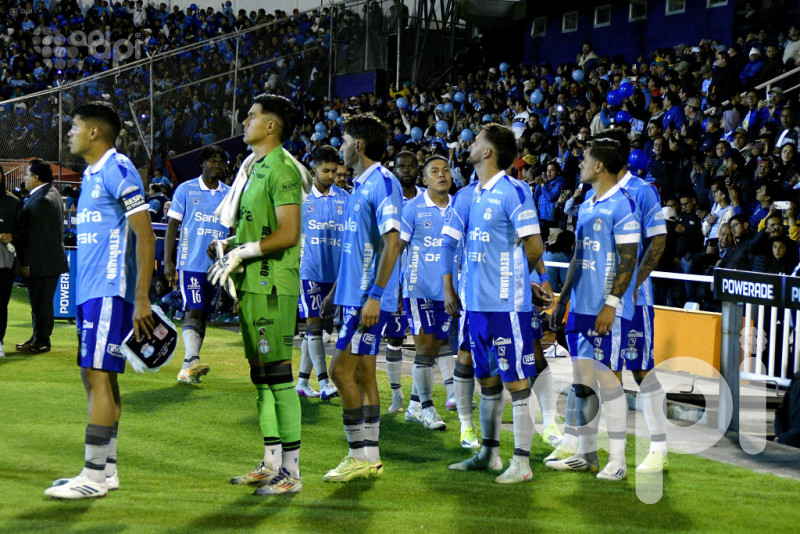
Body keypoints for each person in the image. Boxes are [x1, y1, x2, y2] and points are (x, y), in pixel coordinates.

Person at [45, 101, 156, 499]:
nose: (69, 133)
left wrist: (141, 297)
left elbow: (146, 235)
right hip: (92, 291)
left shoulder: (117, 168)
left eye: (74, 126)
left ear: (94, 132)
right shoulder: (92, 174)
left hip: (111, 291)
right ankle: (106, 470)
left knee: (97, 375)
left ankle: (92, 477)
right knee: (97, 375)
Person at [208, 94, 304, 496]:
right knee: (261, 378)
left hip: (272, 286)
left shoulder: (281, 169)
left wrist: (243, 252)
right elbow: (258, 228)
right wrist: (230, 244)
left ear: (271, 126)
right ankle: (270, 462)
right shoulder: (255, 167)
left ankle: (293, 474)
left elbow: (288, 233)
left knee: (279, 377)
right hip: (251, 286)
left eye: (251, 116)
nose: (244, 121)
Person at [445, 123, 545, 484]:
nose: (470, 145)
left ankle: (522, 463)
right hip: (475, 308)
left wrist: (523, 281)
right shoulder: (468, 194)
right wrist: (451, 289)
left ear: (488, 152)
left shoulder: (514, 191)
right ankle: (488, 454)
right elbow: (452, 245)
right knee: (486, 379)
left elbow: (534, 246)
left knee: (517, 382)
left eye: (476, 142)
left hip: (506, 307)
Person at [546, 135, 640, 482]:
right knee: (582, 385)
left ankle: (618, 460)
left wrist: (611, 305)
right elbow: (578, 257)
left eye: (584, 160)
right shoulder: (587, 203)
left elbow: (629, 259)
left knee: (610, 384)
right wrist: (563, 299)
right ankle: (586, 456)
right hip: (581, 307)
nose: (580, 165)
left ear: (599, 166)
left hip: (606, 309)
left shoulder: (623, 205)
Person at [323, 114, 402, 482]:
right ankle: (372, 455)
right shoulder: (361, 186)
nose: (340, 147)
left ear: (359, 145)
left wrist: (375, 296)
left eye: (343, 140)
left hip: (367, 301)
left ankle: (357, 455)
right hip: (354, 297)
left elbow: (393, 243)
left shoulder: (383, 184)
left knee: (339, 371)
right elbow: (357, 251)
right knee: (366, 373)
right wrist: (335, 294)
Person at [163, 145, 230, 384]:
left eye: (220, 161)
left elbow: (234, 230)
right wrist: (167, 260)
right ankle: (193, 358)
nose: (216, 165)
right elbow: (172, 226)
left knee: (203, 315)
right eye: (212, 161)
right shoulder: (185, 190)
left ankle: (187, 368)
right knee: (193, 309)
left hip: (217, 267)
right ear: (202, 163)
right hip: (190, 263)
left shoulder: (229, 194)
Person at [400, 156, 455, 430]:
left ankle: (412, 406)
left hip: (448, 292)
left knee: (435, 348)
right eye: (434, 171)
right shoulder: (412, 209)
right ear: (425, 180)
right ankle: (429, 410)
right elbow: (397, 247)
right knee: (423, 349)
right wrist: (387, 286)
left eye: (445, 170)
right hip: (418, 288)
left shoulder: (460, 207)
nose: (441, 175)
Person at [295, 145, 346, 401]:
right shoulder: (300, 198)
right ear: (314, 168)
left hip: (335, 275)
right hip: (309, 271)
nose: (330, 175)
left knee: (320, 331)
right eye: (325, 170)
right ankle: (324, 381)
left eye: (333, 171)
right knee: (314, 325)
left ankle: (302, 382)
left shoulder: (344, 199)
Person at [16, 159, 69, 354]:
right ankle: (37, 338)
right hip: (50, 261)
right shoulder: (52, 193)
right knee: (40, 303)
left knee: (41, 303)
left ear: (36, 177)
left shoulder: (42, 200)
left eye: (28, 175)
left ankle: (42, 341)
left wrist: (27, 262)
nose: (25, 179)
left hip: (42, 263)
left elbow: (36, 236)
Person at [384, 150, 424, 416]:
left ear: (417, 169)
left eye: (411, 165)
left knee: (426, 343)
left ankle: (418, 402)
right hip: (395, 281)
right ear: (394, 168)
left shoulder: (428, 198)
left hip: (424, 281)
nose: (406, 169)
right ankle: (396, 394)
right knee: (395, 338)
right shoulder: (389, 200)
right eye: (401, 165)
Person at [0, 168, 21, 358]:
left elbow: (23, 231)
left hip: (4, 261)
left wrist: (11, 236)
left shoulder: (12, 202)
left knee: (1, 303)